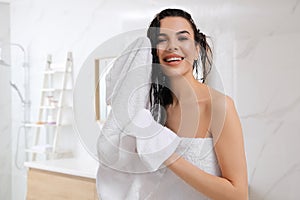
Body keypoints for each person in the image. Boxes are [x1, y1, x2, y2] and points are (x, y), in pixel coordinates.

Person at [146, 8, 248, 199]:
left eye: (182, 38)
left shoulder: (218, 107)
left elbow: (239, 194)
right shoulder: (155, 111)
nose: (172, 46)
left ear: (196, 50)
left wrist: (167, 156)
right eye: (162, 40)